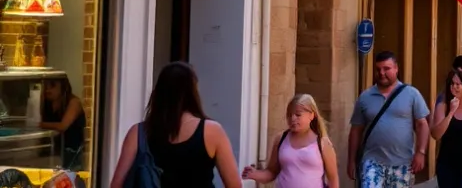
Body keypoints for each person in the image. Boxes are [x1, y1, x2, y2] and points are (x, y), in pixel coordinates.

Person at [110, 62, 242, 187]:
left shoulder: (138, 133)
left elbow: (117, 184)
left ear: (159, 92)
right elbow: (234, 185)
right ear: (192, 92)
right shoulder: (212, 131)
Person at [348, 51, 431, 188]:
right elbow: (356, 130)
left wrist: (421, 152)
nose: (381, 73)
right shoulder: (365, 97)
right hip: (371, 161)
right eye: (378, 69)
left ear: (396, 68)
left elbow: (422, 124)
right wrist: (351, 160)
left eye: (386, 68)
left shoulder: (411, 94)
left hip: (402, 163)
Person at [243, 93, 340, 188]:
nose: (293, 118)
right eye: (289, 115)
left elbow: (333, 180)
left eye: (298, 115)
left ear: (311, 115)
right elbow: (272, 172)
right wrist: (254, 174)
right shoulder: (281, 139)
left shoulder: (322, 143)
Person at [40, 76, 85, 170]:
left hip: (73, 153)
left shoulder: (74, 102)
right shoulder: (47, 103)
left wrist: (38, 124)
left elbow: (63, 126)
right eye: (45, 86)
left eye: (52, 86)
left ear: (63, 87)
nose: (47, 90)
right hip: (55, 153)